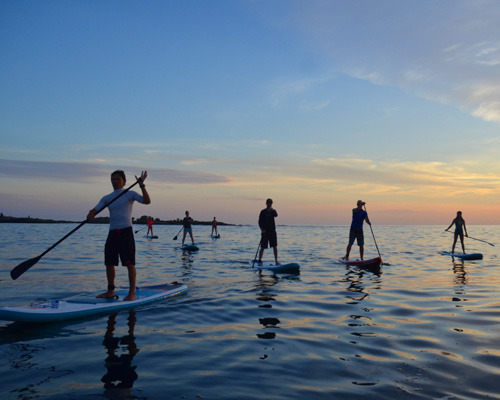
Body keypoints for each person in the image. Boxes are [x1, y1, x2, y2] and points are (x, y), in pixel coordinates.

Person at [87, 170, 151, 301]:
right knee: (109, 263)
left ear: (124, 181)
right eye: (113, 179)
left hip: (126, 232)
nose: (115, 181)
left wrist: (142, 185)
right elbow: (96, 209)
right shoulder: (107, 198)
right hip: (112, 233)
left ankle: (131, 293)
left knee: (129, 264)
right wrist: (91, 213)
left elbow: (147, 201)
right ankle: (110, 291)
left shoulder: (130, 194)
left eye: (118, 179)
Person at [258, 198, 279, 265]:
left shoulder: (273, 211)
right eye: (269, 203)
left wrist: (272, 211)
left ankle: (276, 261)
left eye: (271, 203)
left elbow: (276, 215)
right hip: (265, 232)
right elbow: (259, 222)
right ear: (266, 203)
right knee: (263, 247)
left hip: (272, 232)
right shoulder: (263, 212)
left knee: (274, 246)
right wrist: (262, 229)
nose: (270, 204)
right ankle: (259, 261)